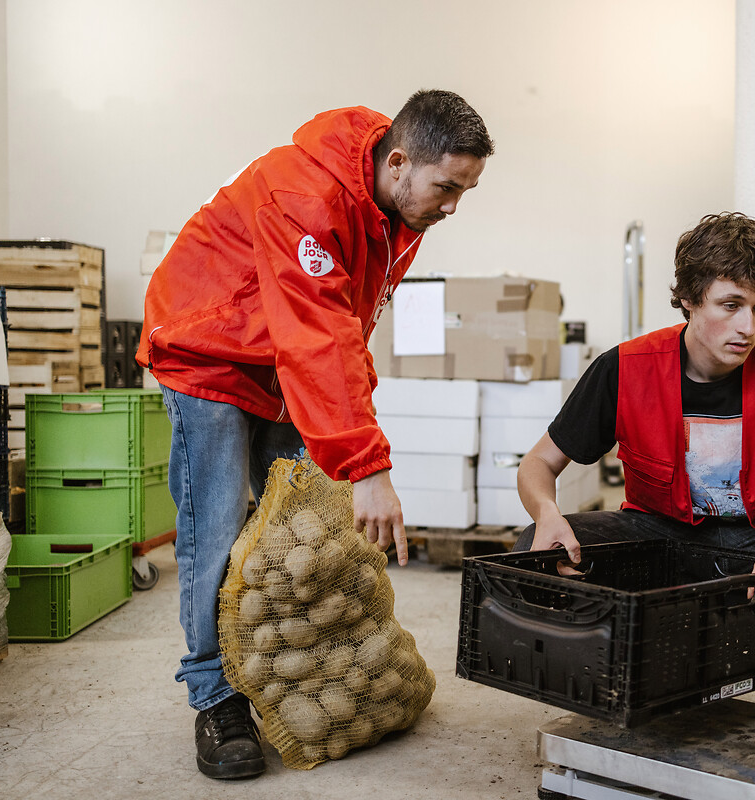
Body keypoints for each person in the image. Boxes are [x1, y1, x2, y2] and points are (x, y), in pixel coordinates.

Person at [137, 91, 493, 779]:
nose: (453, 206)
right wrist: (367, 465)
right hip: (206, 348)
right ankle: (215, 697)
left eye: (465, 191)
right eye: (448, 187)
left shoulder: (394, 212)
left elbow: (346, 329)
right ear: (398, 162)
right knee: (214, 529)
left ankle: (275, 664)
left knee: (289, 530)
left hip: (273, 360)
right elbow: (317, 338)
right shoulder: (306, 196)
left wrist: (355, 440)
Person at [516, 212, 755, 708]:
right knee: (532, 550)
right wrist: (546, 514)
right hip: (666, 539)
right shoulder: (625, 367)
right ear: (688, 299)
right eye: (730, 305)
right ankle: (652, 665)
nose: (748, 327)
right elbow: (538, 464)